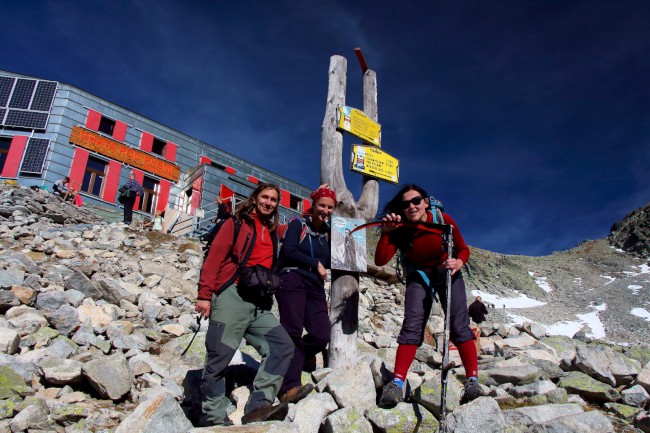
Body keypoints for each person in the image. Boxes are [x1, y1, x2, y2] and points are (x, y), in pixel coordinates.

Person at [195, 183, 294, 426]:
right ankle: (215, 418)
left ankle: (259, 403)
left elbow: (308, 224)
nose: (269, 203)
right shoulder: (236, 223)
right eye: (265, 197)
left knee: (282, 346)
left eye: (273, 200)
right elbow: (214, 257)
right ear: (255, 198)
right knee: (219, 357)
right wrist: (204, 295)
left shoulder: (273, 232)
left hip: (259, 305)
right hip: (233, 296)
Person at [374, 184, 482, 406]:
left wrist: (459, 261)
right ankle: (397, 383)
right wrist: (387, 233)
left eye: (416, 201)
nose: (411, 206)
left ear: (425, 202)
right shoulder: (400, 229)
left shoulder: (443, 220)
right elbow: (380, 260)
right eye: (406, 204)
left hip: (448, 273)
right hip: (419, 275)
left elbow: (463, 248)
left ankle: (472, 380)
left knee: (459, 325)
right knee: (412, 326)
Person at [275, 184, 336, 404]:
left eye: (330, 207)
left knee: (322, 334)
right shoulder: (297, 224)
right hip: (291, 279)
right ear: (313, 204)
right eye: (322, 205)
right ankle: (288, 387)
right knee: (292, 330)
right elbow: (288, 251)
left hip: (314, 285)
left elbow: (332, 260)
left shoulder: (329, 233)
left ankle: (299, 357)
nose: (325, 211)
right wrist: (315, 263)